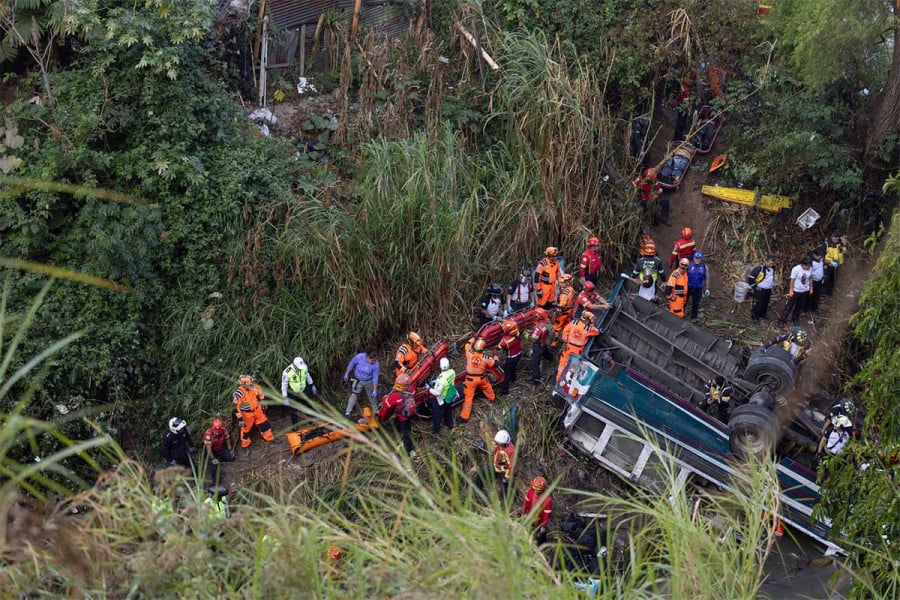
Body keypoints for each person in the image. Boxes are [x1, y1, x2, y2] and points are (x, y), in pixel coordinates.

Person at [232, 374, 276, 452]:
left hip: (257, 410)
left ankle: (269, 438)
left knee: (264, 424)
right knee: (245, 430)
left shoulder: (255, 387)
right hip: (246, 414)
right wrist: (240, 418)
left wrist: (263, 404)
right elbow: (236, 406)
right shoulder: (239, 393)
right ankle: (245, 445)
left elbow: (261, 396)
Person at [378, 374, 417, 457]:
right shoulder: (411, 390)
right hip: (410, 414)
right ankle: (399, 431)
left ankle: (409, 451)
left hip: (403, 417)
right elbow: (414, 391)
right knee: (401, 424)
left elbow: (387, 403)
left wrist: (384, 397)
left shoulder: (396, 396)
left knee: (406, 433)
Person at [459, 338, 497, 422]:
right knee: (487, 388)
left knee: (468, 397)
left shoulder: (470, 352)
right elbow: (495, 364)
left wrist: (473, 338)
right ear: (483, 349)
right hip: (482, 378)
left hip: (470, 380)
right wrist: (495, 356)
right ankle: (492, 398)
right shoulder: (486, 357)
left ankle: (464, 417)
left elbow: (467, 344)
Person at [557, 311, 599, 381]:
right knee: (572, 367)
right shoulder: (588, 328)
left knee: (562, 364)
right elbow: (597, 332)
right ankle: (567, 382)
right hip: (577, 351)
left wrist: (565, 341)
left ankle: (558, 380)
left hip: (568, 347)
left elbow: (565, 331)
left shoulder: (573, 323)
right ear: (586, 319)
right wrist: (592, 325)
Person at [281, 356, 318, 426]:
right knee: (293, 409)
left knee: (308, 405)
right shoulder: (287, 372)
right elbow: (284, 385)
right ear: (294, 365)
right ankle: (295, 424)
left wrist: (312, 385)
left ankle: (311, 420)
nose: (300, 368)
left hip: (303, 391)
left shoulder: (304, 367)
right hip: (293, 393)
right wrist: (284, 397)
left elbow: (307, 376)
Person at [343, 348, 380, 418]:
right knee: (354, 395)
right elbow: (352, 364)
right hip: (358, 380)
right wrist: (346, 373)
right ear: (367, 357)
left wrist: (375, 389)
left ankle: (376, 411)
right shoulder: (359, 357)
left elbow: (375, 377)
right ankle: (348, 412)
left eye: (375, 360)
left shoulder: (376, 364)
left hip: (369, 381)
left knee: (372, 397)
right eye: (372, 360)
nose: (374, 361)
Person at [778, 256, 813, 327]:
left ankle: (794, 319)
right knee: (789, 306)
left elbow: (810, 278)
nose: (808, 267)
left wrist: (811, 287)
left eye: (809, 265)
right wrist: (791, 290)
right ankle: (782, 320)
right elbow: (792, 280)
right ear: (803, 264)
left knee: (799, 307)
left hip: (804, 291)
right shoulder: (796, 269)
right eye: (807, 266)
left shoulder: (810, 269)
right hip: (796, 290)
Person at [426, 357, 457, 434]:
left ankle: (436, 431)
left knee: (436, 414)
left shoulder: (441, 379)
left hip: (441, 398)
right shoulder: (452, 372)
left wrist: (429, 388)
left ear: (440, 366)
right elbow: (446, 380)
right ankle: (449, 424)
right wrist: (436, 381)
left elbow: (437, 393)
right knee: (448, 410)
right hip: (449, 395)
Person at [203, 416, 235, 485]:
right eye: (216, 432)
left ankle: (219, 459)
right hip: (211, 451)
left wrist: (230, 449)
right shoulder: (208, 434)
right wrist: (212, 458)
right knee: (214, 465)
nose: (217, 433)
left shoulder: (223, 430)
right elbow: (208, 448)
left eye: (218, 432)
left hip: (220, 449)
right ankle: (215, 482)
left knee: (231, 458)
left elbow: (227, 438)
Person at [521, 476, 552, 545]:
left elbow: (547, 515)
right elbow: (525, 503)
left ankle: (541, 546)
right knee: (529, 531)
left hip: (540, 521)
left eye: (538, 489)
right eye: (534, 488)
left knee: (540, 536)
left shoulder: (547, 499)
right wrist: (522, 514)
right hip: (530, 517)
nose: (535, 491)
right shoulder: (530, 492)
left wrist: (543, 527)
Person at [747, 254, 776, 324]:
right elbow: (750, 278)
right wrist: (754, 286)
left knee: (765, 303)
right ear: (766, 261)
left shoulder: (773, 268)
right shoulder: (759, 268)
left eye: (773, 263)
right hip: (760, 289)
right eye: (770, 263)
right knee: (758, 304)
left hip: (768, 289)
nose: (771, 265)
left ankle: (762, 314)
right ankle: (755, 317)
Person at [528, 308, 553, 384]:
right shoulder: (547, 321)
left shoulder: (538, 327)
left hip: (538, 346)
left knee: (535, 363)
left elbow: (533, 339)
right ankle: (551, 358)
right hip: (545, 342)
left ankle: (536, 379)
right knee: (546, 352)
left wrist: (527, 335)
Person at [497, 319, 523, 395]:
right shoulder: (517, 332)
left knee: (506, 373)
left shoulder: (506, 340)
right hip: (518, 354)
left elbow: (498, 348)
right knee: (514, 367)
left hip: (511, 358)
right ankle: (513, 378)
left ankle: (505, 390)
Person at [551, 273, 577, 345]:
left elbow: (560, 306)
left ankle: (553, 343)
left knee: (556, 328)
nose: (561, 284)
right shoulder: (571, 289)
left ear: (567, 282)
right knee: (567, 326)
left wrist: (555, 315)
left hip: (563, 313)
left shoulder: (564, 294)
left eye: (562, 283)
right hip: (569, 312)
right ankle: (568, 340)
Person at [820, 232, 847, 297]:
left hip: (836, 265)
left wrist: (844, 244)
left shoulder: (840, 244)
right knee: (826, 279)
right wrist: (829, 262)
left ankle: (829, 293)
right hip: (827, 264)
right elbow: (822, 256)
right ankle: (823, 293)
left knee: (832, 280)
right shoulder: (827, 244)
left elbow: (844, 252)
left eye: (836, 237)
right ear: (831, 237)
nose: (835, 238)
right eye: (834, 237)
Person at [686, 251, 710, 320]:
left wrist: (707, 288)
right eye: (696, 258)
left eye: (699, 258)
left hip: (698, 288)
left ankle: (693, 317)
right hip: (689, 287)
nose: (697, 260)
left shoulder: (704, 267)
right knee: (685, 300)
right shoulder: (689, 265)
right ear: (693, 258)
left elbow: (707, 277)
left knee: (695, 303)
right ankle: (681, 313)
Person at [492, 429, 516, 495]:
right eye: (497, 443)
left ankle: (504, 502)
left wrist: (506, 477)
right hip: (496, 466)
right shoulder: (497, 444)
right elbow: (494, 453)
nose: (498, 445)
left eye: (500, 444)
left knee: (504, 487)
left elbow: (511, 466)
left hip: (504, 470)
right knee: (482, 472)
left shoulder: (511, 451)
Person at [807, 248, 825, 312]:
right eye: (819, 257)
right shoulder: (811, 262)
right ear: (815, 255)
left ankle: (814, 308)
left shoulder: (821, 260)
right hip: (812, 281)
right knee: (810, 295)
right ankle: (807, 309)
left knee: (817, 295)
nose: (820, 258)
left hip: (819, 281)